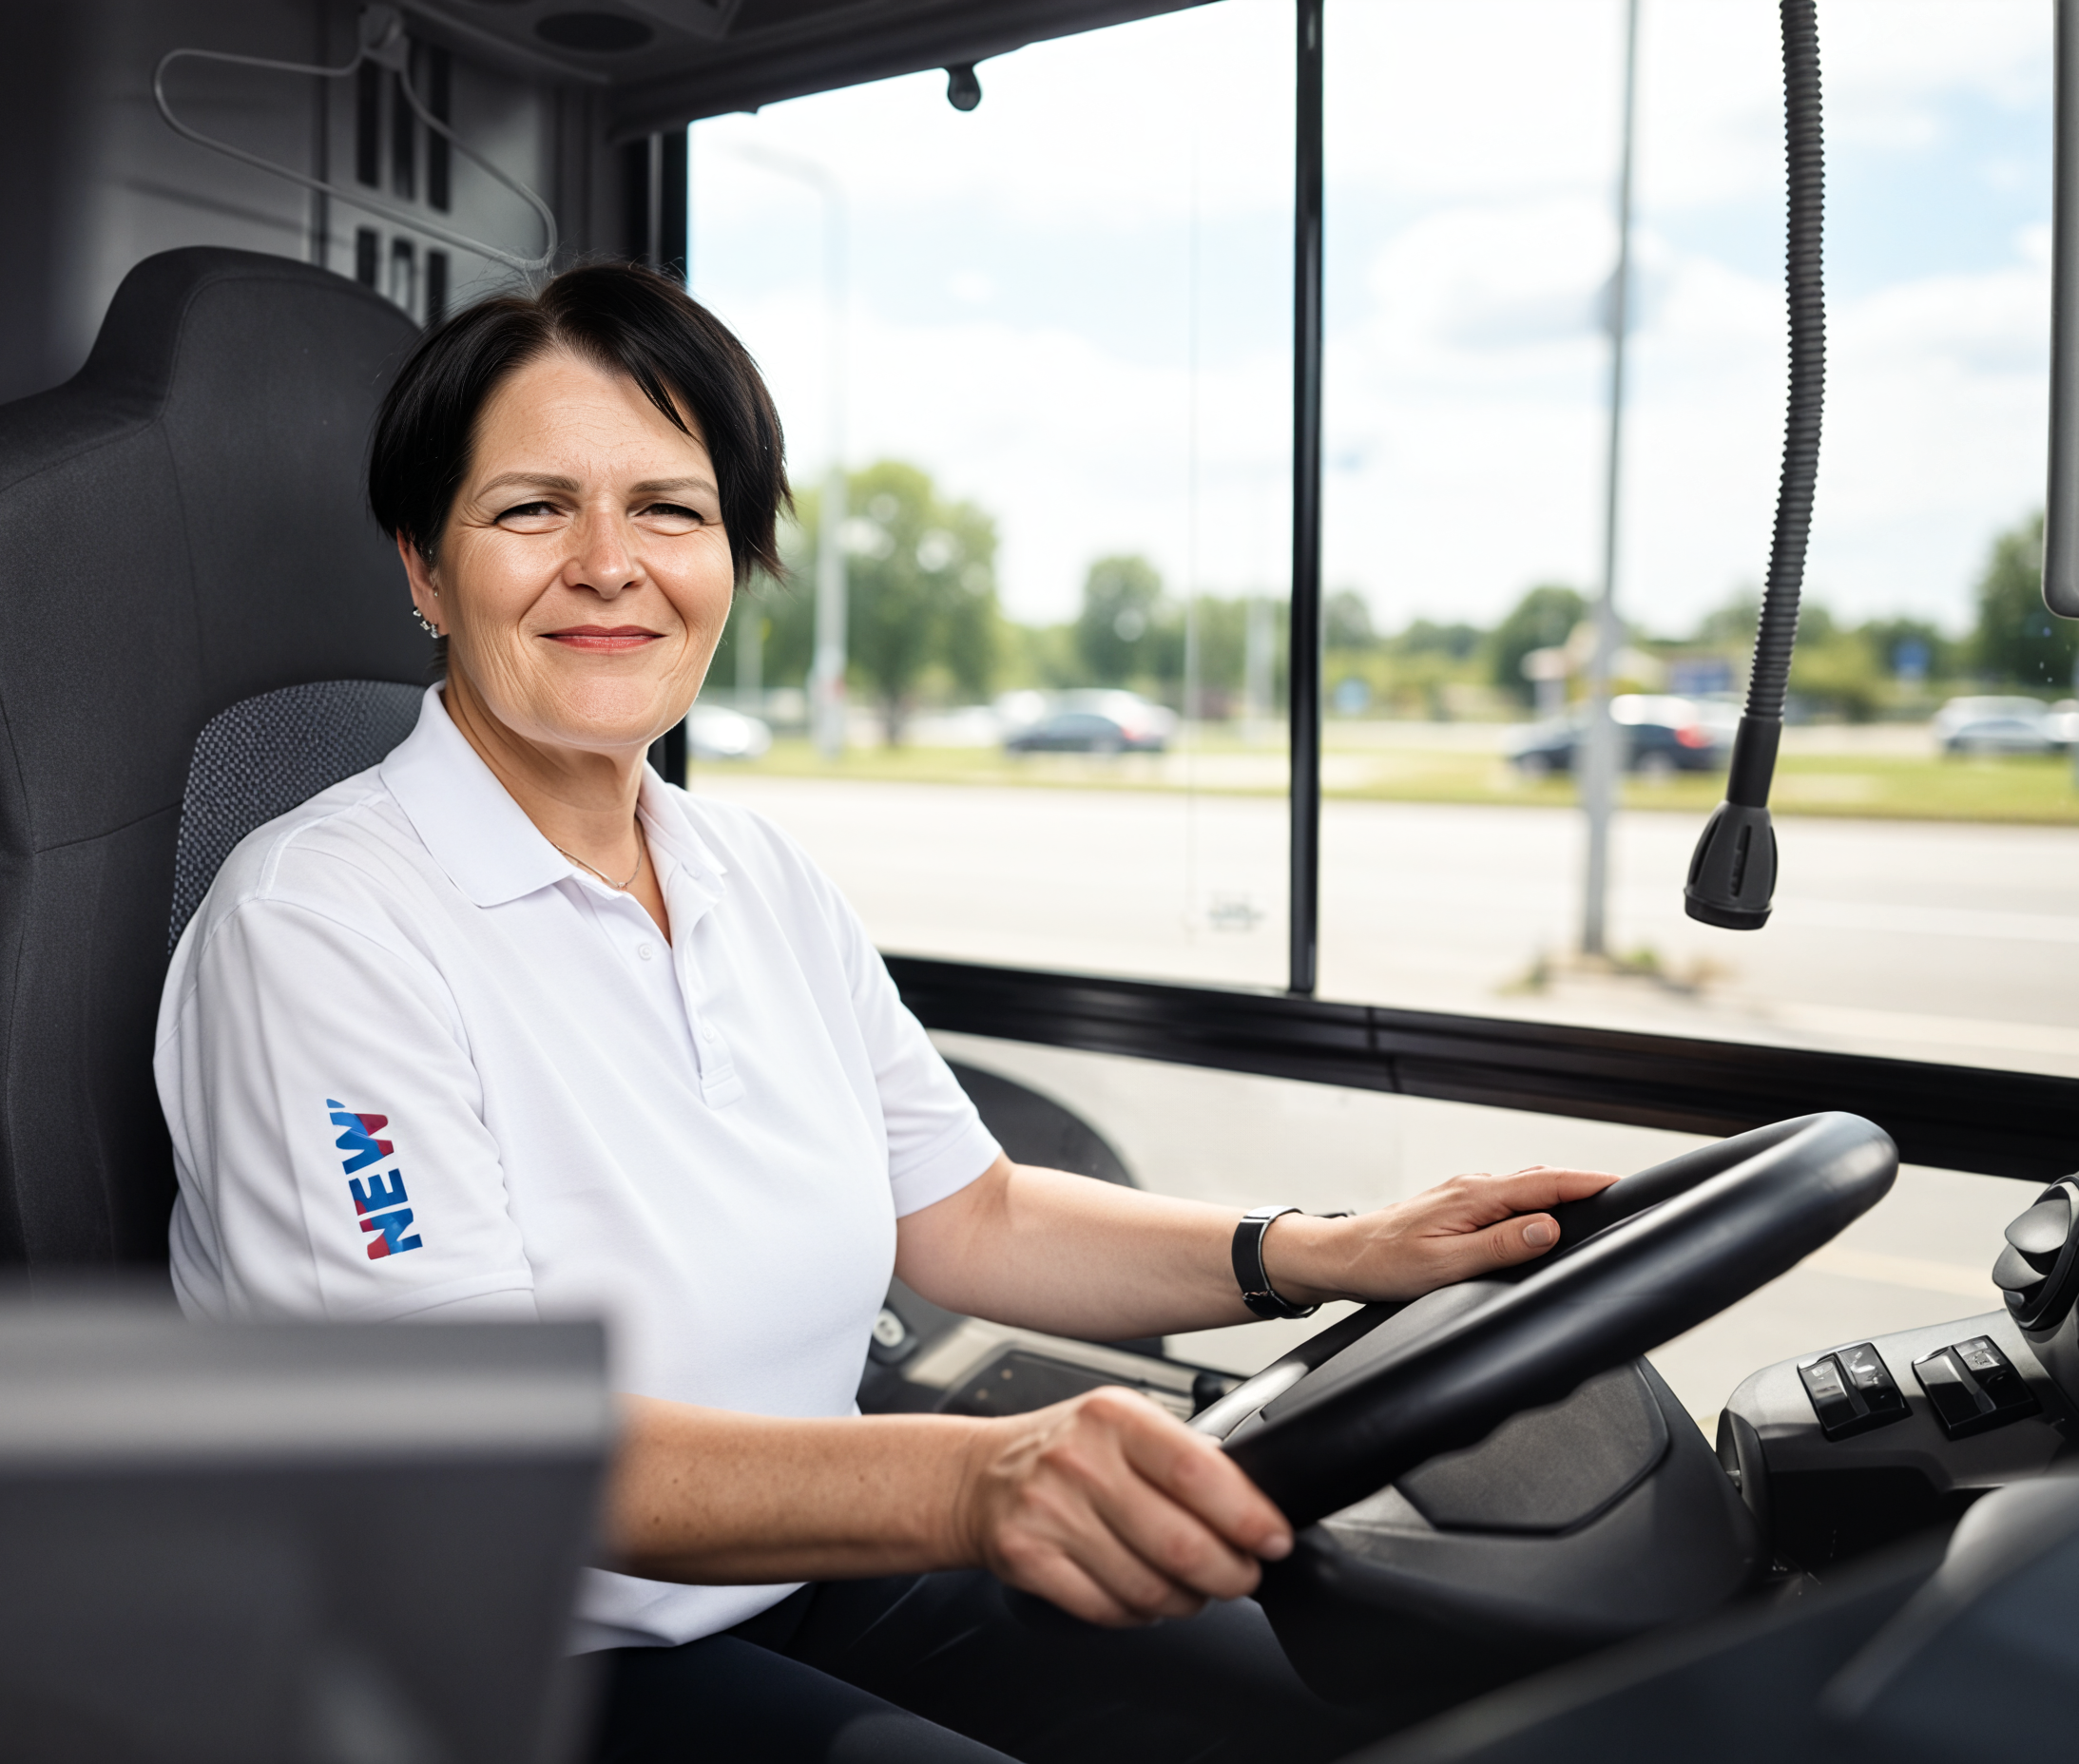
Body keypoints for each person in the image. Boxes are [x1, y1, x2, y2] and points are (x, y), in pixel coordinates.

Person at [156, 261, 1619, 1764]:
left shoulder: (753, 870)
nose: (610, 564)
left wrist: (1320, 1252)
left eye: (670, 508)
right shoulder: (318, 925)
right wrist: (974, 1484)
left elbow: (967, 1217)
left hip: (818, 1573)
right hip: (512, 1666)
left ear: (733, 555)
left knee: (1371, 1710)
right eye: (532, 510)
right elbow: (482, 1456)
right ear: (422, 568)